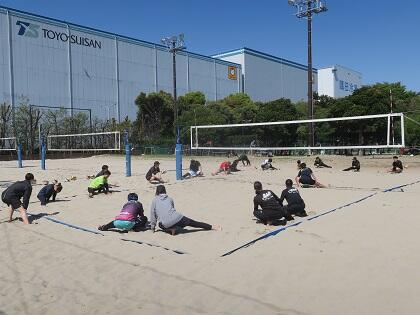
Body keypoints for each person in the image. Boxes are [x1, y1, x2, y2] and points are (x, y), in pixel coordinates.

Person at [150, 185, 219, 235]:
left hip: (166, 223)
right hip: (177, 217)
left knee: (160, 224)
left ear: (157, 192)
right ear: (165, 191)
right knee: (194, 223)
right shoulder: (170, 199)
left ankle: (171, 229)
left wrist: (152, 228)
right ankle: (213, 227)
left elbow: (153, 215)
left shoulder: (154, 201)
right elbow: (172, 209)